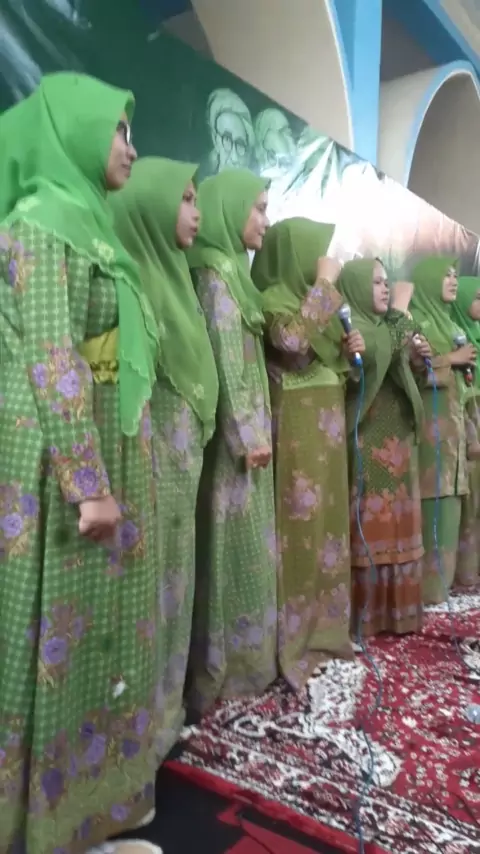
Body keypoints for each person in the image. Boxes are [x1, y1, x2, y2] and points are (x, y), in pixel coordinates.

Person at [0, 74, 162, 854]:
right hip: (56, 473)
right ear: (74, 131)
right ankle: (40, 826)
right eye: (119, 130)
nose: (130, 146)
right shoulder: (40, 222)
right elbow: (53, 355)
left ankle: (83, 818)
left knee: (97, 646)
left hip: (93, 454)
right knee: (54, 647)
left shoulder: (94, 228)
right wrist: (88, 486)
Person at [110, 157, 219, 758]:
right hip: (148, 471)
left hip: (183, 472)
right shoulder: (133, 282)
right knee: (148, 591)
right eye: (184, 198)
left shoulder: (177, 279)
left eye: (197, 199)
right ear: (152, 205)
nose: (195, 212)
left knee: (175, 585)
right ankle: (136, 729)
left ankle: (165, 713)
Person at [251, 218, 364, 690]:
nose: (323, 259)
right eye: (314, 250)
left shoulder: (320, 309)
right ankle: (295, 636)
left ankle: (326, 629)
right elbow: (293, 341)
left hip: (328, 443)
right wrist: (324, 284)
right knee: (297, 536)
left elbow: (338, 371)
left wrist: (349, 352)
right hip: (295, 440)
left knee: (327, 536)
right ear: (292, 254)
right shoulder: (272, 302)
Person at [187, 169, 277, 714]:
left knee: (247, 549)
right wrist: (247, 434)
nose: (265, 220)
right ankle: (227, 666)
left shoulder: (234, 274)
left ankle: (249, 660)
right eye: (258, 208)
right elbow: (223, 359)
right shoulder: (215, 275)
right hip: (234, 443)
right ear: (230, 208)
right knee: (229, 548)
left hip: (249, 433)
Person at [337, 260, 428, 637]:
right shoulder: (353, 330)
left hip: (399, 438)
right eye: (376, 282)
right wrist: (402, 312)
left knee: (398, 525)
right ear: (357, 287)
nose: (386, 288)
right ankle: (369, 618)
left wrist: (418, 360)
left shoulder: (385, 328)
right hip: (368, 439)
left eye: (387, 282)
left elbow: (405, 369)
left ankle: (399, 614)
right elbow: (377, 353)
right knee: (371, 525)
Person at [410, 258, 473, 604]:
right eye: (445, 275)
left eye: (454, 275)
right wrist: (453, 358)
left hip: (453, 425)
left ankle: (444, 586)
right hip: (430, 427)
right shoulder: (416, 322)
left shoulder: (450, 324)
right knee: (432, 500)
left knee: (451, 502)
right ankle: (426, 589)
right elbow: (415, 370)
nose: (452, 280)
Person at [451, 276, 480, 586]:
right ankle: (466, 571)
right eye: (478, 297)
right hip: (469, 423)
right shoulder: (457, 340)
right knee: (471, 500)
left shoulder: (476, 337)